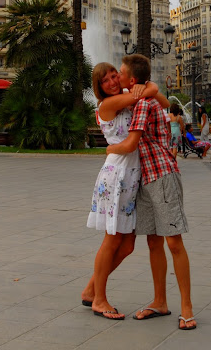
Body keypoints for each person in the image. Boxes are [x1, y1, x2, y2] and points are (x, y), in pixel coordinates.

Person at [107, 54, 196, 331]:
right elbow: (165, 102)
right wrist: (150, 87)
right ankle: (160, 302)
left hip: (162, 176)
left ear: (132, 79)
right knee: (154, 243)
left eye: (120, 73)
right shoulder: (141, 98)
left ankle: (187, 309)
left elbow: (130, 144)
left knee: (174, 242)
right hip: (146, 178)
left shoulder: (144, 103)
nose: (117, 76)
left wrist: (109, 148)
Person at [82, 62, 169, 320]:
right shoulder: (107, 105)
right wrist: (145, 87)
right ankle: (99, 300)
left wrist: (148, 86)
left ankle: (91, 289)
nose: (112, 81)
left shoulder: (128, 97)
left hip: (133, 174)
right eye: (105, 80)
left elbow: (163, 102)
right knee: (112, 239)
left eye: (114, 75)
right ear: (99, 86)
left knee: (128, 244)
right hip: (117, 174)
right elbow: (149, 92)